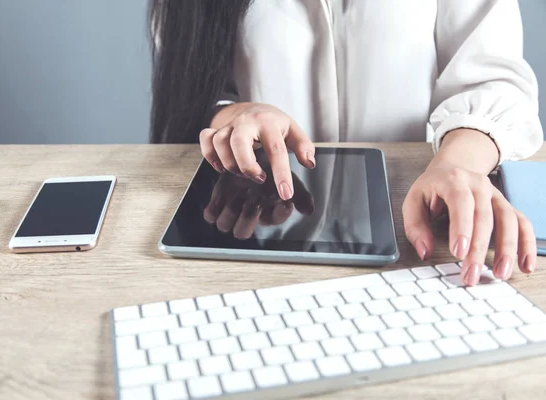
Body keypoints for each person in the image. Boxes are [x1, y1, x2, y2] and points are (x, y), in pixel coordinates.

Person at [149, 0, 544, 286]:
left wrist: (459, 163)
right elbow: (194, 88)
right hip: (257, 235)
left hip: (418, 228)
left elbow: (494, 79)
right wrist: (234, 116)